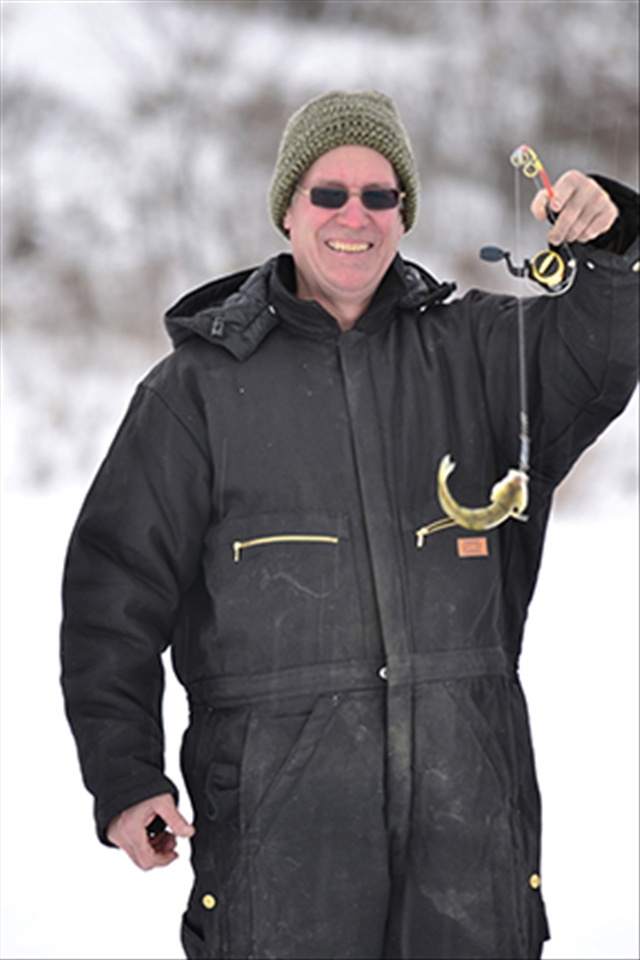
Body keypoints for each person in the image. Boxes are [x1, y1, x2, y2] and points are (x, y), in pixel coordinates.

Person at [60, 90, 638, 960]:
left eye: (380, 195)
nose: (354, 216)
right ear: (288, 210)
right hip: (278, 858)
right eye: (328, 193)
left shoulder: (480, 353)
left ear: (404, 213)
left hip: (469, 846)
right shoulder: (195, 393)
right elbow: (113, 594)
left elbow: (597, 357)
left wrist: (615, 241)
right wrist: (125, 773)